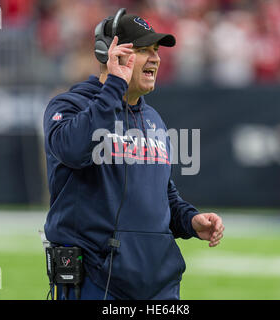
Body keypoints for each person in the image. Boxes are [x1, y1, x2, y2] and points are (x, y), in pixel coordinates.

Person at [42, 9, 224, 300]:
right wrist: (114, 85)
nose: (155, 58)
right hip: (97, 282)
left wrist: (190, 221)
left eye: (156, 50)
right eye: (142, 50)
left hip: (158, 284)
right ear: (109, 53)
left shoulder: (153, 118)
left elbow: (164, 197)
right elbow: (73, 149)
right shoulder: (69, 105)